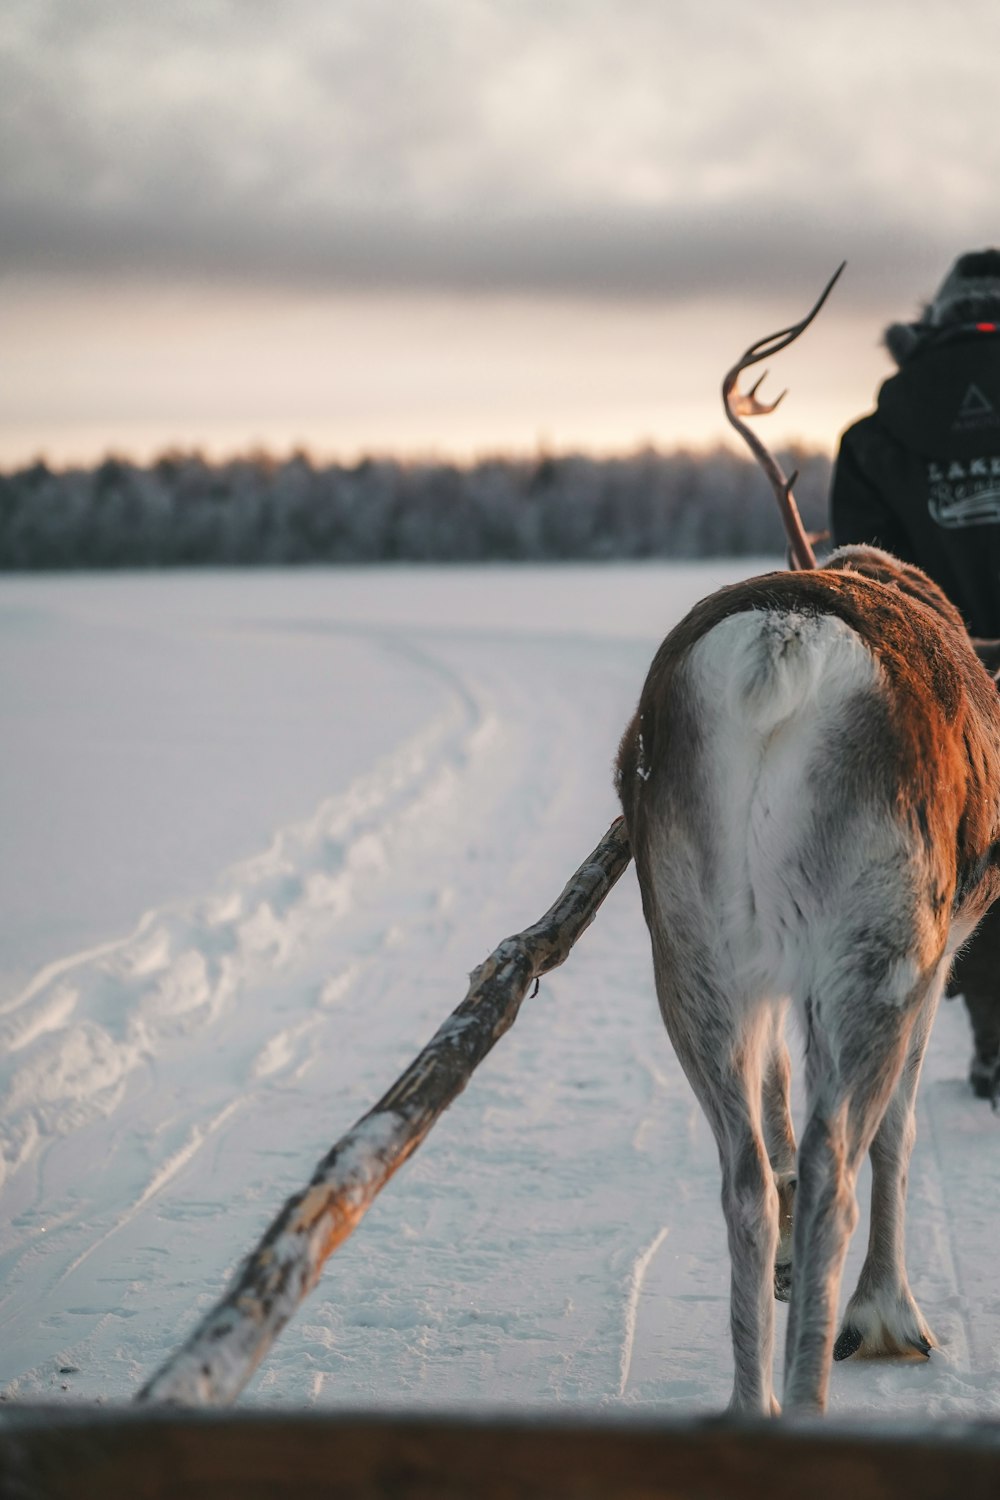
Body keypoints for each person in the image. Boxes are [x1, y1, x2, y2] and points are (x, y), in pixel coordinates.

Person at [830, 248, 1000, 1098]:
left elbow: (859, 586)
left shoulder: (872, 441)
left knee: (961, 860)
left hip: (939, 688)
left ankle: (992, 1034)